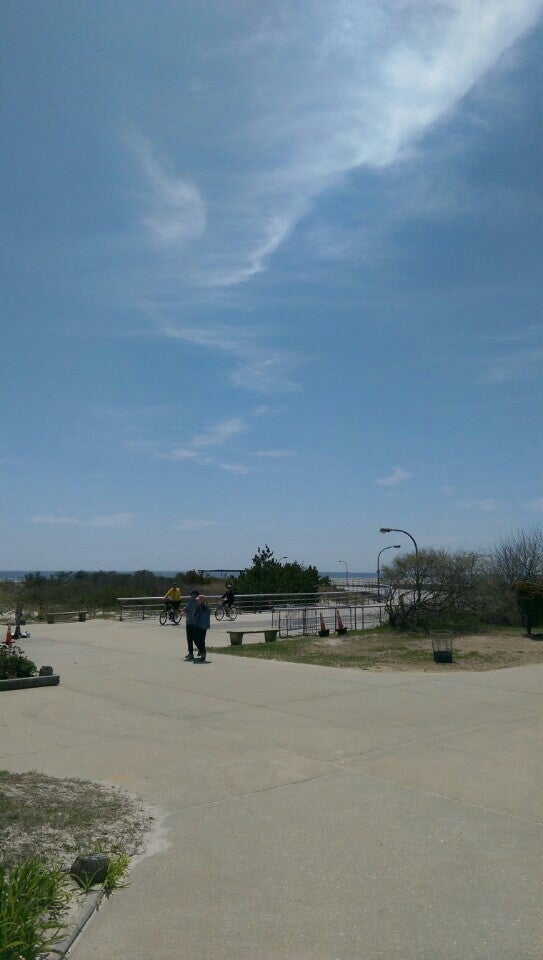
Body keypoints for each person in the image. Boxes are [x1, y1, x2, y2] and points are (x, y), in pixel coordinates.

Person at [183, 589, 200, 660]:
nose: (190, 596)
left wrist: (182, 610)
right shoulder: (199, 602)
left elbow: (186, 610)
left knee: (190, 639)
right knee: (196, 638)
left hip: (190, 623)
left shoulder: (192, 602)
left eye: (192, 594)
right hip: (196, 623)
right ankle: (200, 649)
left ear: (195, 595)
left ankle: (191, 654)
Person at [193, 594, 211, 663]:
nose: (197, 601)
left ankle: (202, 652)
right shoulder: (207, 607)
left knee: (196, 640)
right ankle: (203, 654)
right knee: (202, 640)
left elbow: (195, 617)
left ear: (201, 600)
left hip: (199, 626)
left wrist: (194, 614)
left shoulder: (199, 607)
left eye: (198, 600)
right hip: (205, 626)